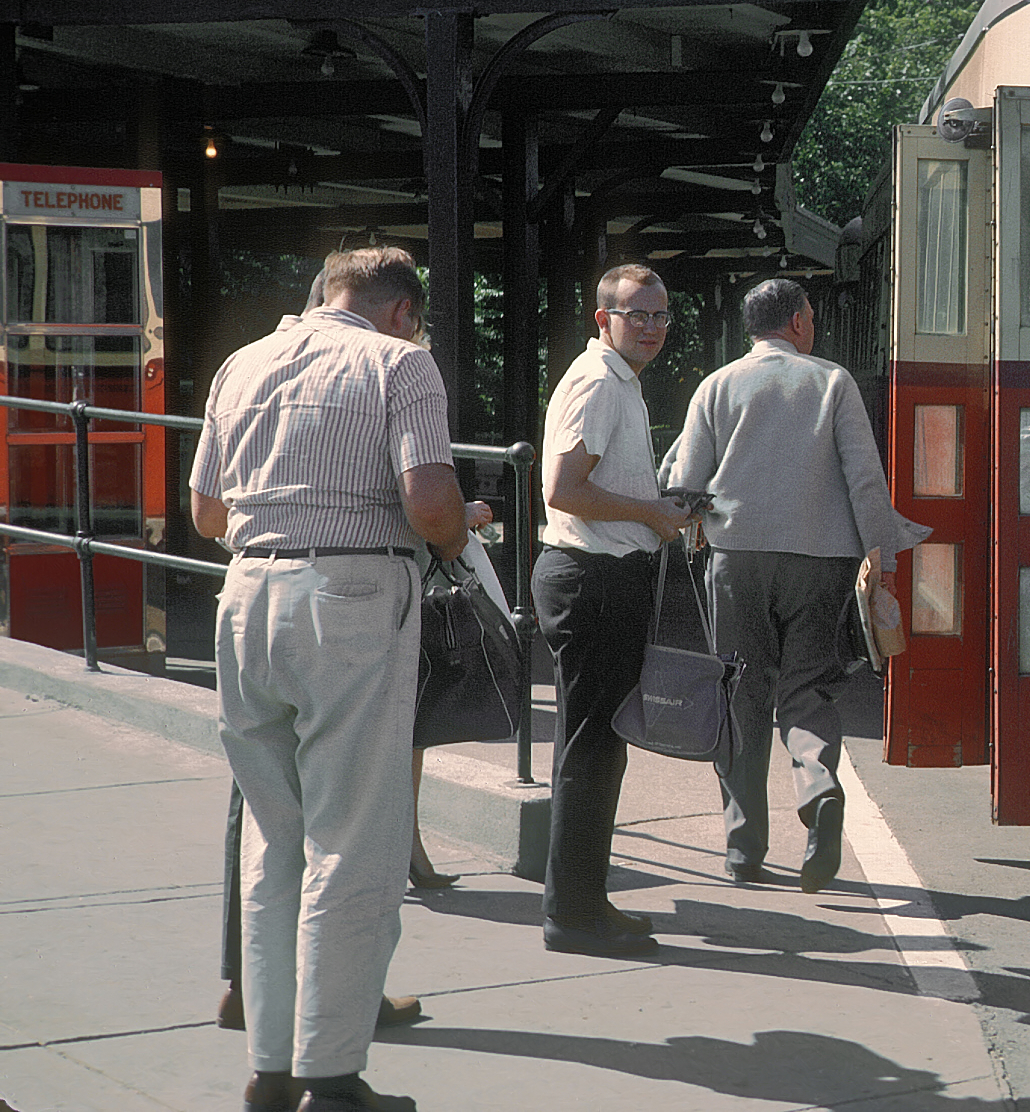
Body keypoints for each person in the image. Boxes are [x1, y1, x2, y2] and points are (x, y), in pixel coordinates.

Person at [190, 246, 473, 1112]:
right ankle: (331, 1075)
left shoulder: (243, 362)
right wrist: (464, 529)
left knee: (274, 837)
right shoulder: (402, 363)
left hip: (246, 593)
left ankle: (270, 1069)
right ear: (400, 310)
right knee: (353, 840)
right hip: (349, 596)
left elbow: (205, 511)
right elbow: (429, 502)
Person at [665, 278, 928, 893]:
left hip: (737, 559)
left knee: (742, 693)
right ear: (799, 323)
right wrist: (880, 561)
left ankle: (743, 849)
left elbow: (685, 483)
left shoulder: (717, 385)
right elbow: (865, 480)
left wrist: (685, 539)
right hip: (821, 564)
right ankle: (819, 793)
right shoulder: (833, 382)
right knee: (809, 689)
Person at [532, 263, 692, 957]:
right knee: (592, 750)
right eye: (638, 315)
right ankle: (573, 913)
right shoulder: (600, 382)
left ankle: (583, 900)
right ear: (605, 319)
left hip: (597, 575)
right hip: (592, 578)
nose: (652, 328)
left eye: (661, 316)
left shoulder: (614, 380)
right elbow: (565, 489)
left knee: (594, 748)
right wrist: (652, 513)